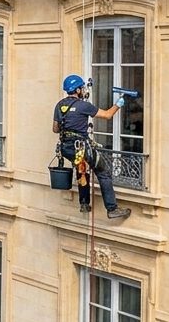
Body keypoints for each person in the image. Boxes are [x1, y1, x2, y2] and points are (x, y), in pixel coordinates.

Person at [53, 74, 130, 218]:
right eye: (81, 88)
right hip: (81, 147)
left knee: (82, 170)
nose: (83, 90)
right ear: (77, 90)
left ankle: (84, 203)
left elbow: (55, 129)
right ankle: (112, 208)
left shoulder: (60, 105)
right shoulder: (83, 106)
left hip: (66, 148)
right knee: (103, 172)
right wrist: (118, 104)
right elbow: (107, 115)